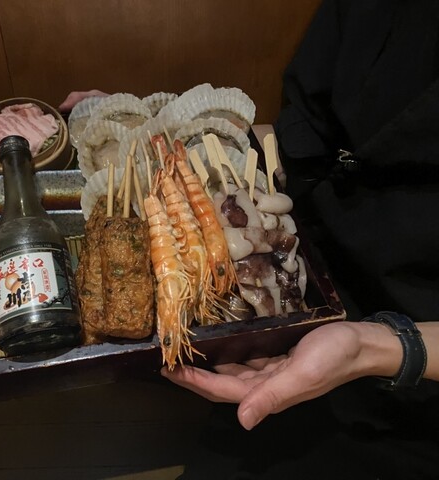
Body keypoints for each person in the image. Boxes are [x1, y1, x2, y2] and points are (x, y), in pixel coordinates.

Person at [60, 1, 439, 477]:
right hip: (295, 292)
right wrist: (151, 127)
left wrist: (379, 347)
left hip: (412, 378)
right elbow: (303, 141)